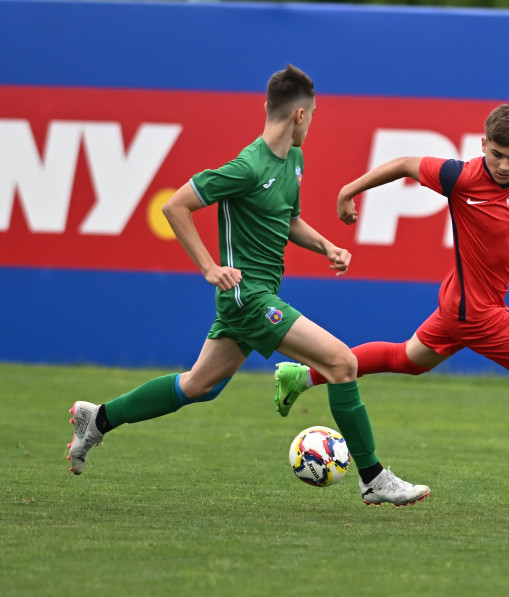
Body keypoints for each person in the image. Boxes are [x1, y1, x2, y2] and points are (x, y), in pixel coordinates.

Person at [67, 64, 430, 507]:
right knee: (342, 363)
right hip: (248, 296)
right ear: (299, 115)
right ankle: (373, 479)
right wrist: (208, 266)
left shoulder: (293, 160)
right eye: (312, 115)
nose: (312, 124)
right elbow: (176, 206)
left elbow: (288, 219)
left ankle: (99, 419)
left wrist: (326, 247)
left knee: (199, 385)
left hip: (255, 296)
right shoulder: (247, 166)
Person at [274, 103, 509, 513]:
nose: (506, 165)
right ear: (483, 144)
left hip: (461, 305)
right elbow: (404, 163)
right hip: (477, 313)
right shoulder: (460, 176)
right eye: (498, 154)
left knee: (408, 359)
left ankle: (303, 375)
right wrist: (349, 191)